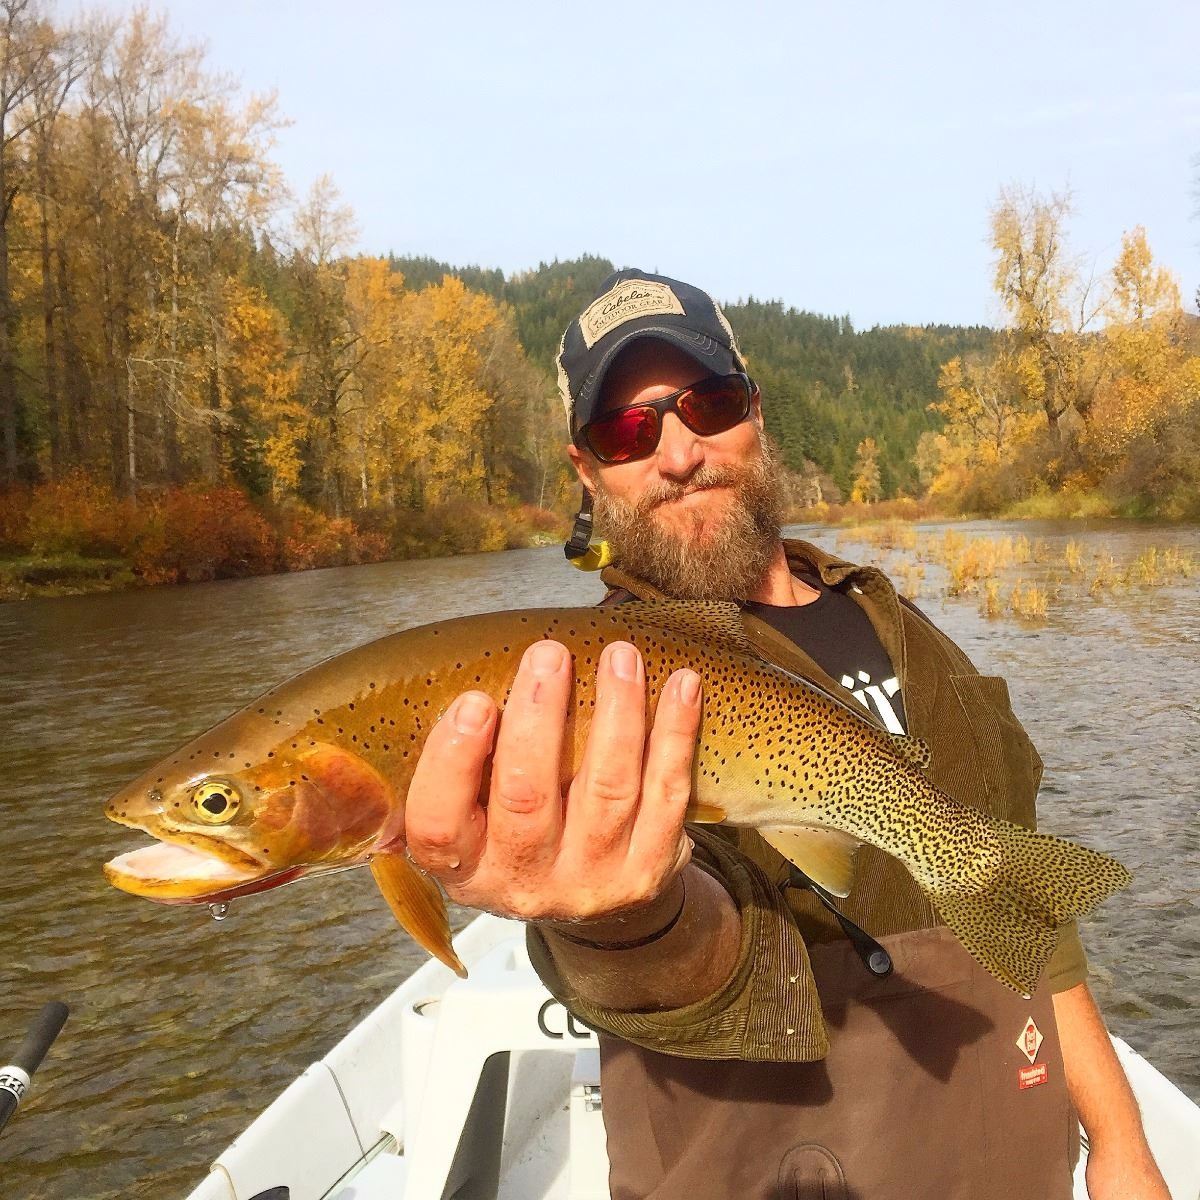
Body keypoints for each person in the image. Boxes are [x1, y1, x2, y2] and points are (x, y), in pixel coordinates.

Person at [404, 269, 1168, 1199]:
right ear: (586, 471)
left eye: (708, 403)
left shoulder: (902, 627)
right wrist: (623, 922)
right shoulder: (584, 696)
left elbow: (1025, 909)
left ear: (755, 414)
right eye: (628, 430)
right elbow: (684, 960)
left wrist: (1121, 1145)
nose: (679, 452)